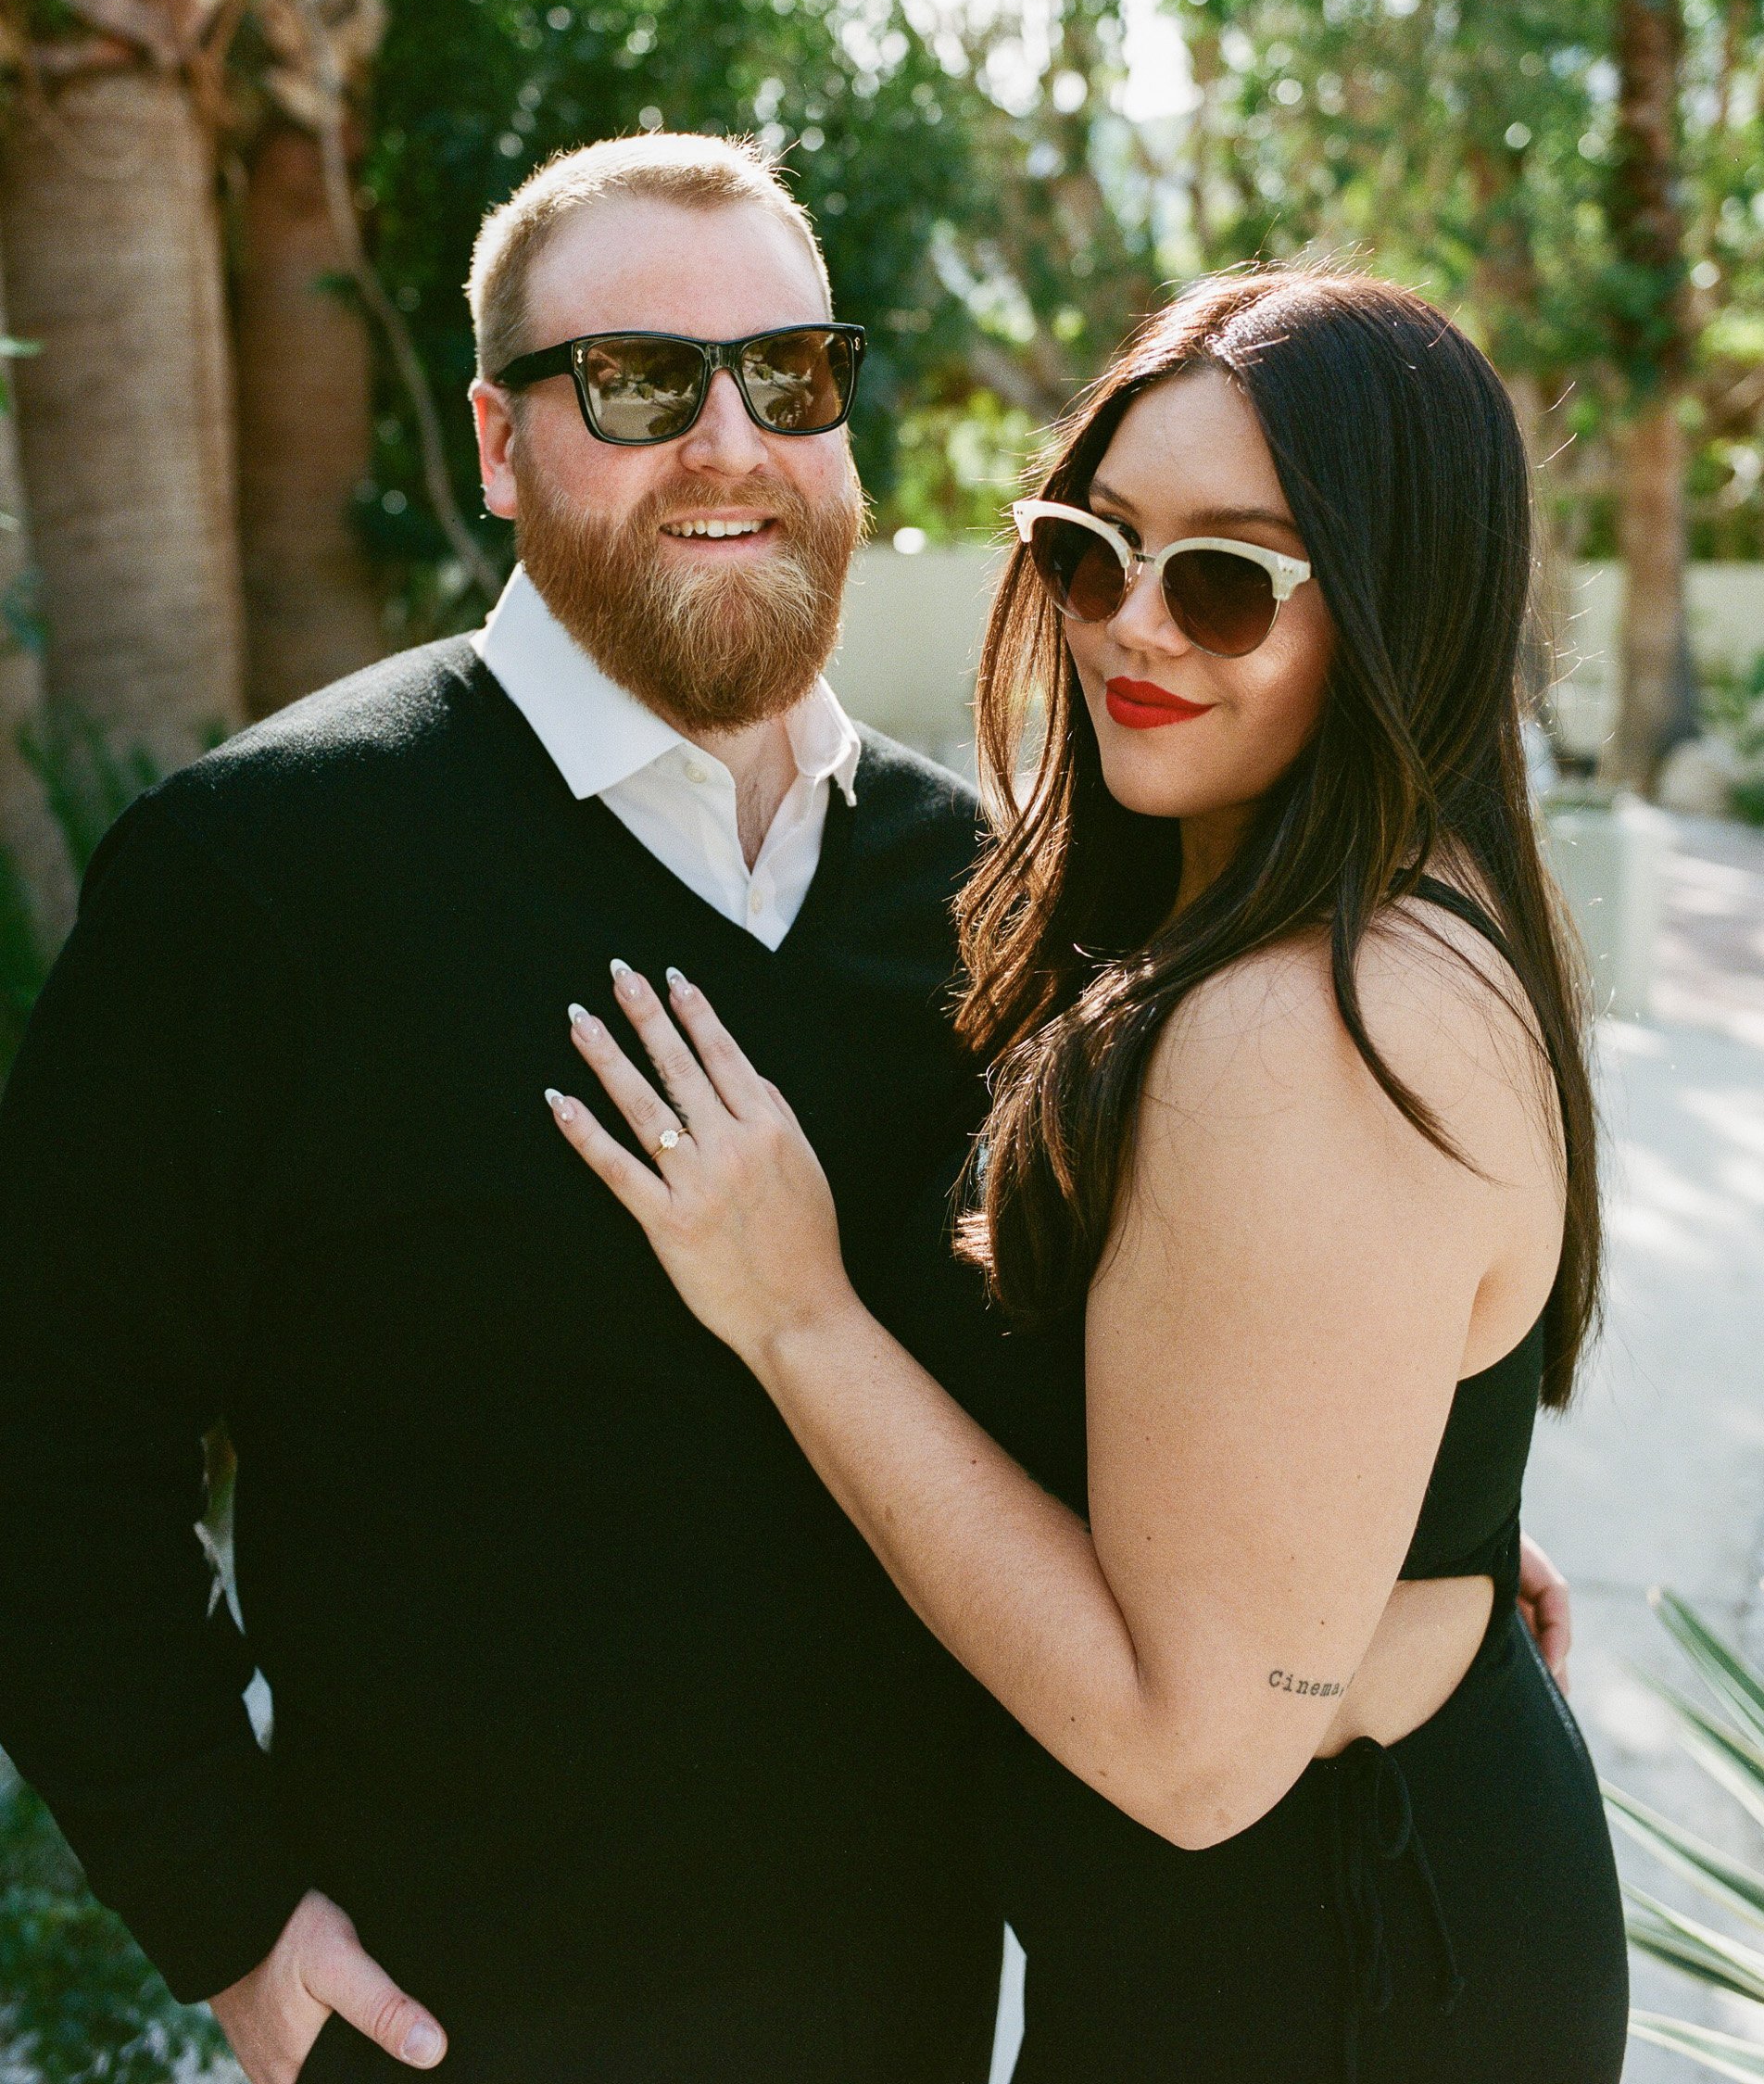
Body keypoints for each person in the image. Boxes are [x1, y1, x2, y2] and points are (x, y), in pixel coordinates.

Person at [544, 267, 1629, 2081]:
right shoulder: (1324, 918)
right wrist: (1346, 1510)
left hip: (1326, 1989)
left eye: (1224, 578)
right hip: (1326, 1930)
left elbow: (1196, 1759)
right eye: (1086, 545)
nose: (1132, 625)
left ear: (1393, 606)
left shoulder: (1305, 1022)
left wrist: (796, 1312)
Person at [0, 133, 1004, 2084]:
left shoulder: (971, 889)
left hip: (903, 2022)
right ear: (496, 441)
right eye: (637, 381)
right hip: (449, 2034)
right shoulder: (258, 875)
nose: (732, 441)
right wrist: (231, 1918)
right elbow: (42, 1432)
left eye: (788, 375)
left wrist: (1388, 1527)